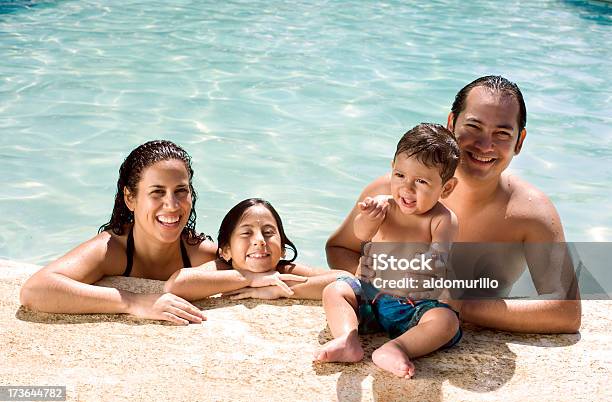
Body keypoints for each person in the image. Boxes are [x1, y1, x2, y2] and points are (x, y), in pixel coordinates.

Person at [325, 76, 581, 334]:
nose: (485, 145)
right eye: (474, 127)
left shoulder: (530, 212)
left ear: (520, 141)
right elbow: (339, 247)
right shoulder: (394, 193)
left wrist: (457, 304)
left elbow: (566, 312)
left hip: (444, 328)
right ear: (451, 124)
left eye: (502, 134)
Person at [314, 124, 461, 378]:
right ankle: (347, 338)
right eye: (400, 175)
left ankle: (396, 348)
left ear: (446, 188)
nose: (407, 188)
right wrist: (368, 217)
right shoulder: (385, 206)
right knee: (335, 290)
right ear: (391, 168)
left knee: (446, 321)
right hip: (371, 299)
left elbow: (439, 258)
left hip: (413, 307)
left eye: (421, 181)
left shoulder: (442, 220)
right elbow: (361, 234)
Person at [20, 140, 217, 325]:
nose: (172, 205)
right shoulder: (112, 249)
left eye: (181, 190)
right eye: (157, 192)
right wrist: (133, 302)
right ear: (130, 198)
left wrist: (247, 278)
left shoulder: (201, 253)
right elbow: (35, 290)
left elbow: (246, 267)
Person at [165, 198, 350, 300]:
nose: (260, 241)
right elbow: (175, 285)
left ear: (283, 249)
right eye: (246, 233)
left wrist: (278, 289)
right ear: (225, 251)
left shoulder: (283, 271)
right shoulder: (222, 268)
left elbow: (348, 280)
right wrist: (249, 278)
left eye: (268, 232)